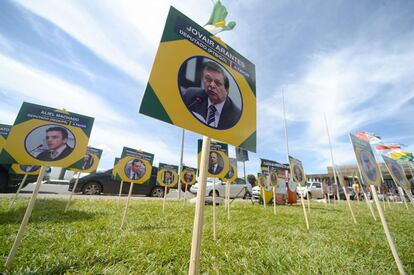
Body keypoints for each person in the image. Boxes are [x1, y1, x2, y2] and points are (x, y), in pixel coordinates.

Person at [182, 61, 241, 129]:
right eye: (208, 79)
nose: (212, 85)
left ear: (226, 91)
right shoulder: (190, 95)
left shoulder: (236, 116)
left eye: (217, 83)